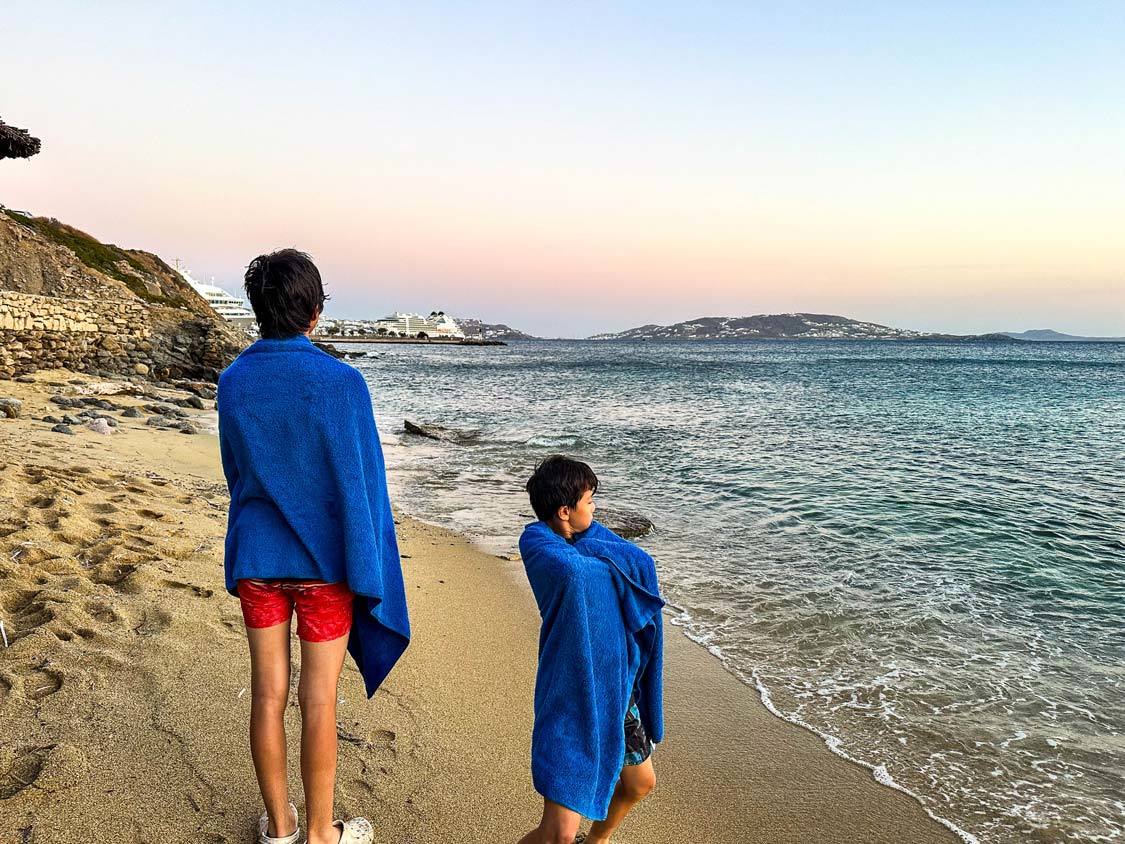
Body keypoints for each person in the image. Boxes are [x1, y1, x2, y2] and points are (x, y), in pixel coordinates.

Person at [217, 249, 410, 844]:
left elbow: (237, 473)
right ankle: (322, 833)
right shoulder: (343, 383)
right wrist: (370, 564)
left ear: (257, 309)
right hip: (325, 566)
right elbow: (362, 485)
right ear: (316, 312)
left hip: (258, 557)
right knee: (319, 700)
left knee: (268, 692)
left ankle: (280, 829)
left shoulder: (232, 381)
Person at [516, 456, 665, 844]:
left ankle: (597, 841)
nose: (595, 508)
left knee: (638, 783)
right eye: (589, 500)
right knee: (559, 834)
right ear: (565, 511)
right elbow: (579, 574)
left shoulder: (592, 539)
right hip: (573, 691)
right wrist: (618, 564)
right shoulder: (537, 543)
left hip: (618, 685)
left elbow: (638, 561)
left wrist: (614, 558)